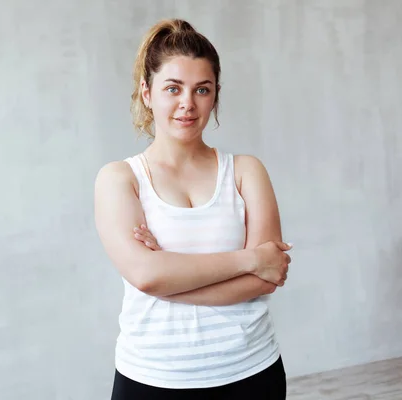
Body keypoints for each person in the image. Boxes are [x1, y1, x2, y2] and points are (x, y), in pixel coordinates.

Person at [94, 18, 293, 399]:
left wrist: (171, 276)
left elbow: (267, 278)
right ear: (147, 92)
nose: (188, 103)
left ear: (215, 96)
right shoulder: (120, 179)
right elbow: (147, 276)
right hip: (153, 379)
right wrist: (249, 259)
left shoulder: (246, 171)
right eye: (173, 88)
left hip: (251, 371)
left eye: (202, 89)